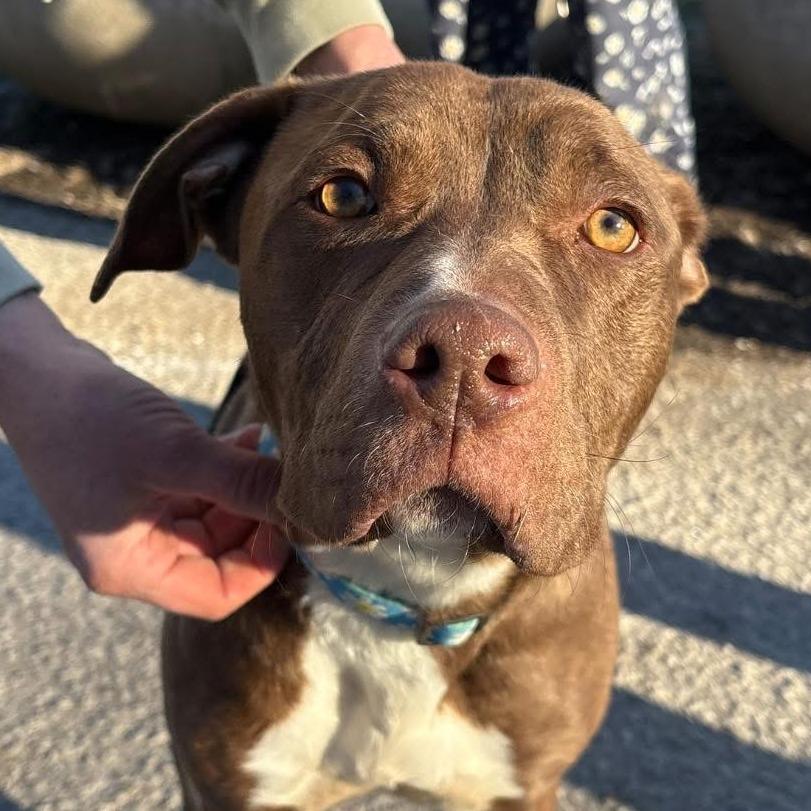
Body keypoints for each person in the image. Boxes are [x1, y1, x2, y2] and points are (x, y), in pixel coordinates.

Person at [0, 0, 695, 620]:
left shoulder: (566, 646)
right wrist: (38, 380)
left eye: (611, 228)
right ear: (209, 191)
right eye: (345, 198)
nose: (468, 351)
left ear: (683, 276)